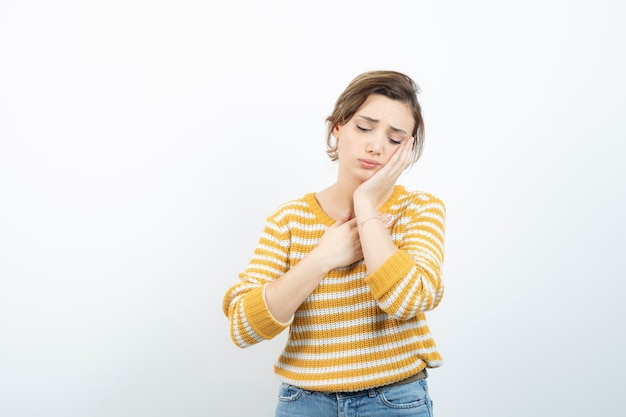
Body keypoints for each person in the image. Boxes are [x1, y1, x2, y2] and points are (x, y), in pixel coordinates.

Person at [222, 70, 446, 417]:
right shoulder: (289, 219)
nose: (376, 145)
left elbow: (408, 299)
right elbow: (243, 326)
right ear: (336, 128)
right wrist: (322, 258)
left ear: (408, 148)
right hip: (304, 404)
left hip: (394, 401)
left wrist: (366, 205)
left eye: (395, 137)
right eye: (364, 127)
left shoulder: (419, 210)